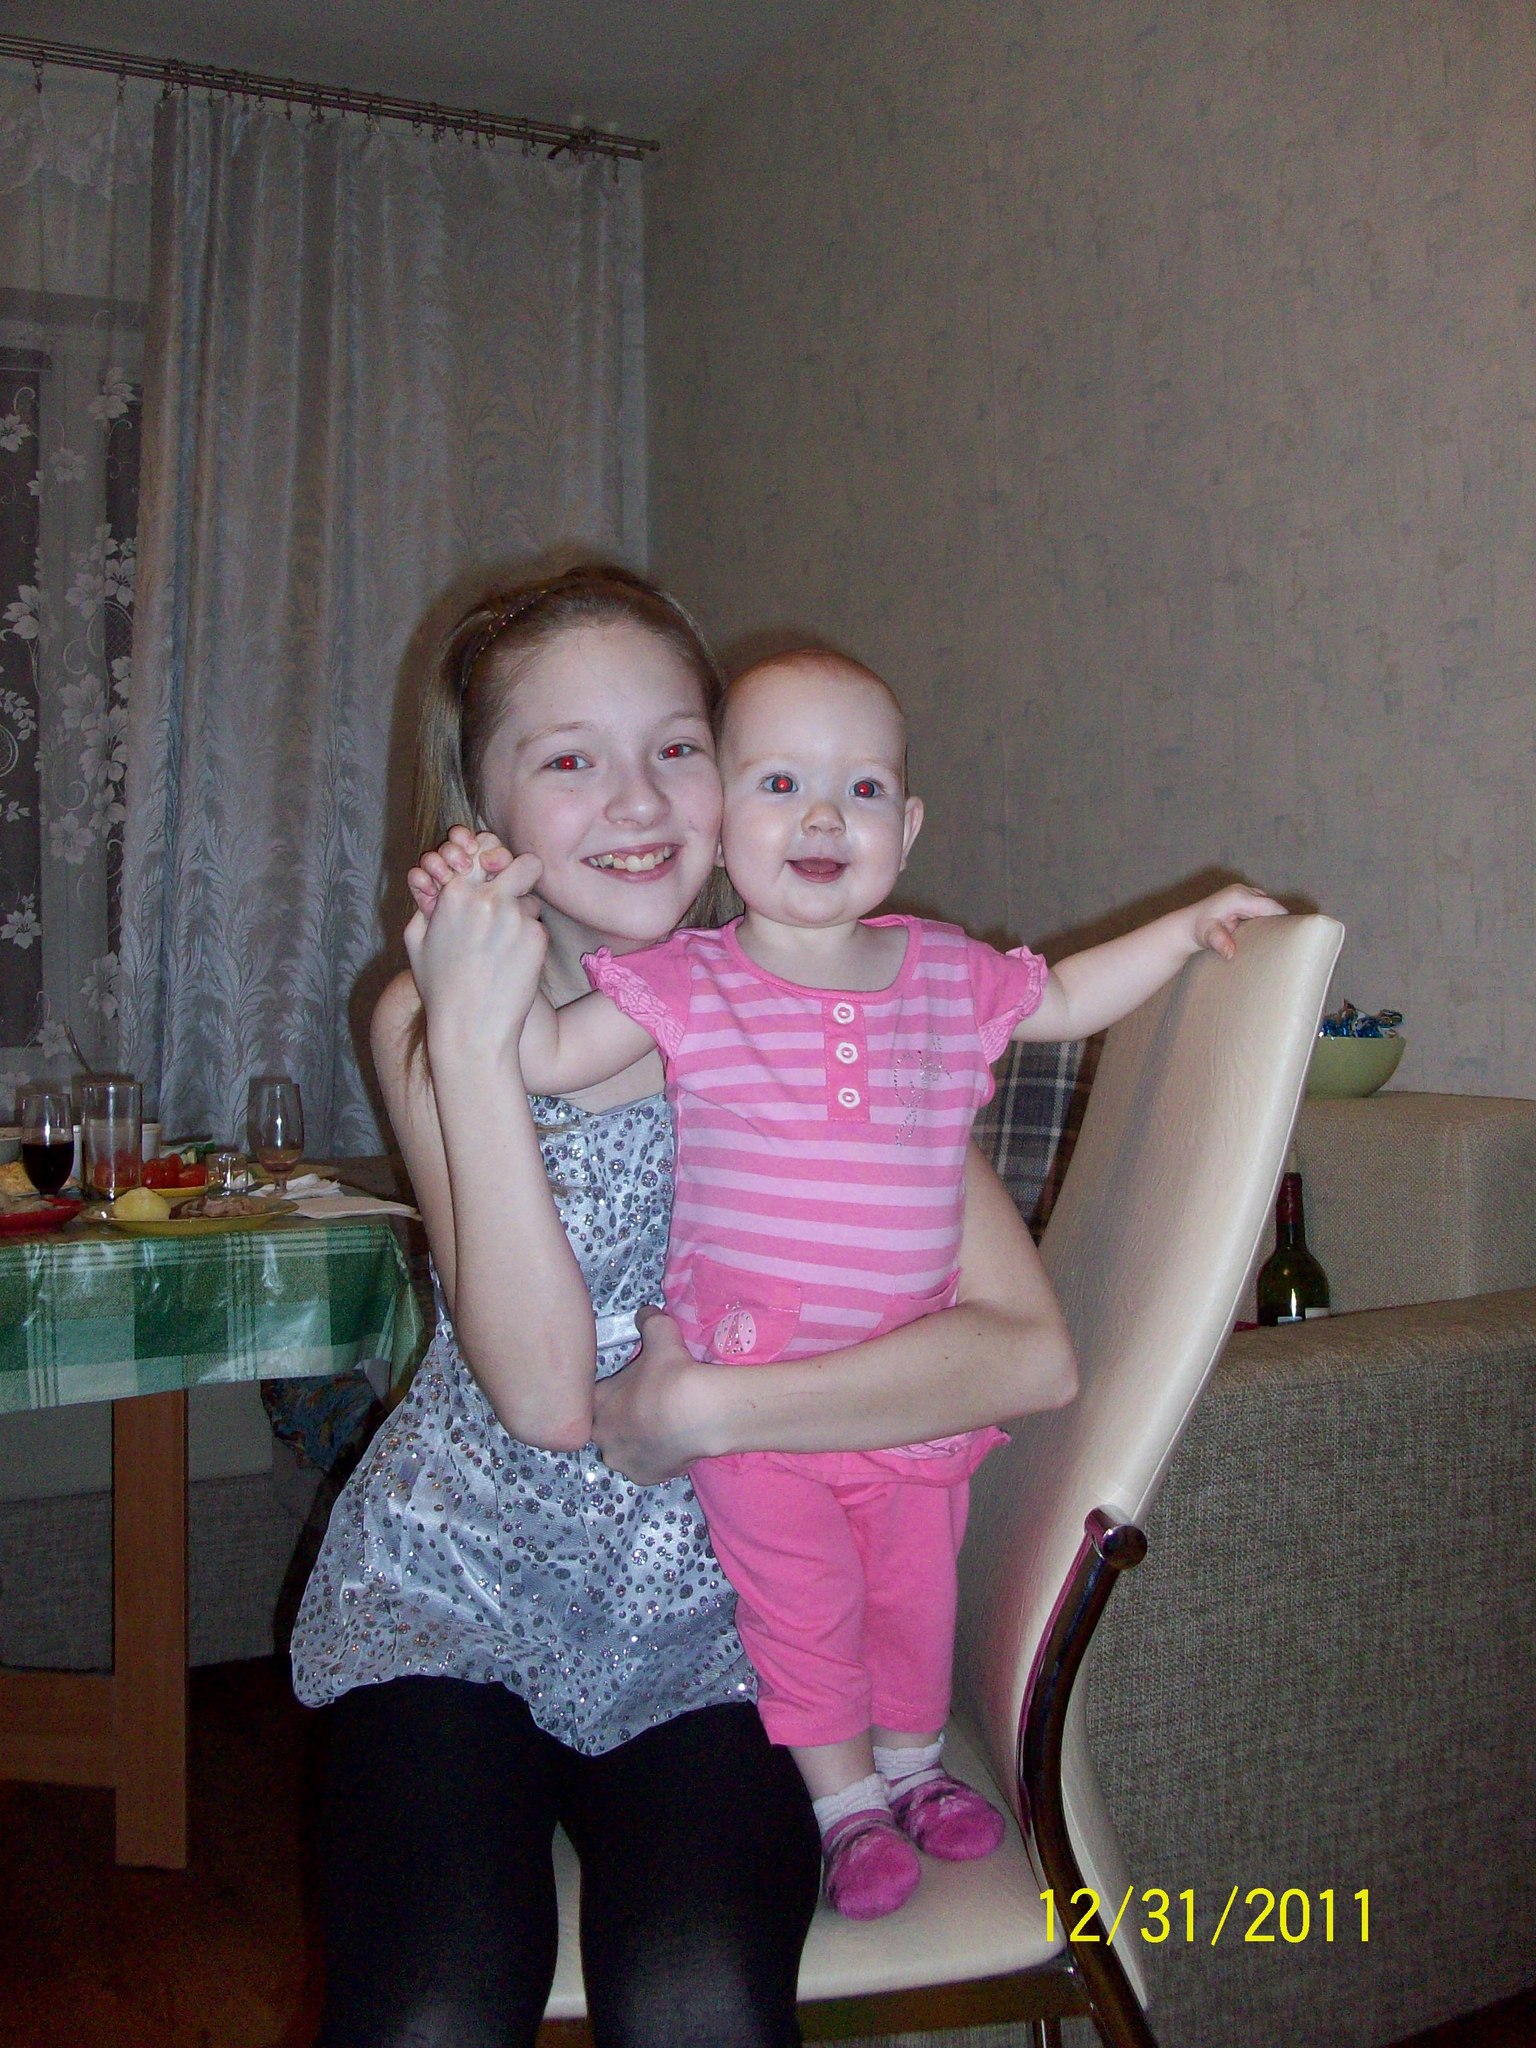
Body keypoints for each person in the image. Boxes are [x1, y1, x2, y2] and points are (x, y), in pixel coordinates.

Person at [291, 567, 1078, 2045]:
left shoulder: (831, 1005)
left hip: (737, 1615)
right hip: (454, 1592)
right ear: (482, 807)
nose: (639, 799)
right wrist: (479, 1042)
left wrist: (716, 1406)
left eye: (677, 745)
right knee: (432, 2004)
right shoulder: (423, 1018)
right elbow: (543, 1397)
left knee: (699, 1997)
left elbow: (1026, 1351)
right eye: (568, 759)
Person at [436, 647, 1284, 1921]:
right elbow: (547, 1052)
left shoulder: (944, 972)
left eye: (864, 789)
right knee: (805, 1609)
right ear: (721, 820)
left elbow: (1064, 997)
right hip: (754, 1399)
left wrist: (1184, 930)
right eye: (780, 784)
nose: (825, 818)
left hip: (902, 1387)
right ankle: (846, 1811)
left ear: (910, 825)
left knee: (913, 1597)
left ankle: (916, 1770)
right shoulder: (694, 980)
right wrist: (478, 938)